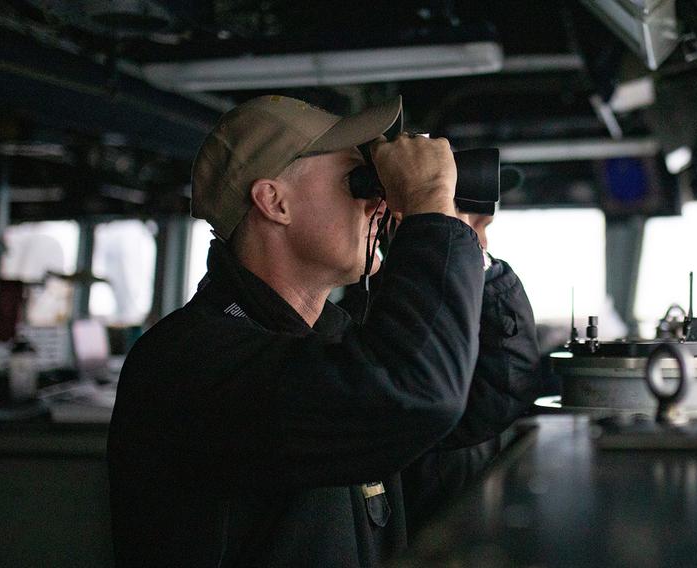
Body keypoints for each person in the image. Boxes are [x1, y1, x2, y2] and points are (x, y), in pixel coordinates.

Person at [107, 94, 539, 567]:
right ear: (274, 202)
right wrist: (426, 210)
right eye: (357, 181)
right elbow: (418, 392)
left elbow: (494, 394)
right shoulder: (191, 361)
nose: (378, 200)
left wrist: (463, 240)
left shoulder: (330, 335)